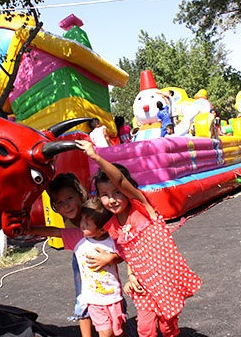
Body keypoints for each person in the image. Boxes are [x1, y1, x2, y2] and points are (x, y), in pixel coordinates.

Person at [76, 140, 201, 337]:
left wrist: (96, 157)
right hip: (143, 285)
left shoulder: (143, 208)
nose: (112, 199)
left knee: (167, 328)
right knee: (145, 329)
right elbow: (129, 254)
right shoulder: (114, 225)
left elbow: (120, 181)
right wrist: (132, 275)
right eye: (105, 195)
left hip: (164, 281)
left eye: (117, 192)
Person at [29, 198, 126, 337]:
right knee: (106, 332)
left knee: (119, 331)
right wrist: (31, 230)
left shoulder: (112, 240)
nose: (81, 225)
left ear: (102, 230)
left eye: (87, 224)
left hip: (114, 297)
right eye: (82, 220)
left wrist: (111, 258)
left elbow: (125, 255)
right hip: (93, 299)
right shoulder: (78, 237)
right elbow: (56, 232)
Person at [46, 173, 121, 337]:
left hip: (105, 252)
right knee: (82, 297)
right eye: (60, 202)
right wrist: (28, 229)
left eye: (70, 198)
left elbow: (122, 246)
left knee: (110, 290)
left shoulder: (95, 211)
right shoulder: (74, 224)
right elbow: (55, 231)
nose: (66, 206)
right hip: (82, 254)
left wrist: (111, 257)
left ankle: (117, 323)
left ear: (81, 195)